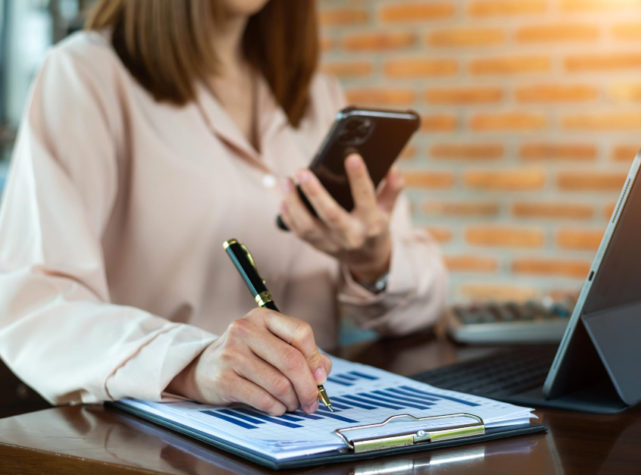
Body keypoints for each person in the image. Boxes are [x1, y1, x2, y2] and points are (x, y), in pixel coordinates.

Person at [0, 0, 446, 416]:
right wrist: (189, 362)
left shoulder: (317, 96)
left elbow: (431, 303)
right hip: (162, 453)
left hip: (318, 436)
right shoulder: (85, 74)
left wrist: (373, 261)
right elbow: (33, 305)